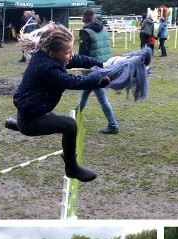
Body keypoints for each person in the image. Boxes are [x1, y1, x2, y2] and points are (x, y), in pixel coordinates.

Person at [13, 23, 110, 182]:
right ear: (53, 53)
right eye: (68, 52)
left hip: (34, 112)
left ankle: (16, 123)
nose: (71, 55)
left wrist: (101, 64)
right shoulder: (48, 69)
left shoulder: (48, 56)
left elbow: (77, 59)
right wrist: (105, 80)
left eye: (71, 50)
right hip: (30, 121)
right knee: (69, 125)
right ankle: (71, 167)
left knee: (53, 118)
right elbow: (75, 82)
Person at [78, 9, 120, 135]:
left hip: (93, 69)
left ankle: (113, 125)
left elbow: (82, 54)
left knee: (101, 97)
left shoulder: (86, 32)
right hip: (105, 66)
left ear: (83, 19)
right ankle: (74, 117)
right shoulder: (104, 29)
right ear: (94, 18)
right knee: (85, 93)